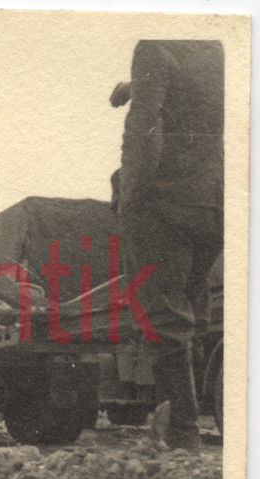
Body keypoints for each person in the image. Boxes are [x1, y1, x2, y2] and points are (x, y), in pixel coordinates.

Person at [113, 40, 223, 451]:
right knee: (190, 321)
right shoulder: (219, 46)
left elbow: (143, 124)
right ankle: (179, 431)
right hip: (214, 206)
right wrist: (136, 85)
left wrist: (130, 196)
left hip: (166, 203)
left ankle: (180, 438)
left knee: (164, 322)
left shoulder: (155, 44)